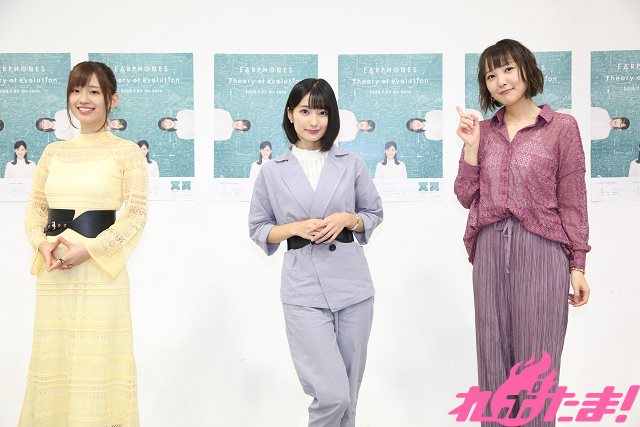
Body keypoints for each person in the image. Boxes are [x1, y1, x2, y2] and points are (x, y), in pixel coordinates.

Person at [454, 39, 590, 427]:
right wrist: (471, 149)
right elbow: (465, 195)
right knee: (493, 357)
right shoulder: (482, 131)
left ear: (526, 70)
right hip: (490, 249)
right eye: (490, 75)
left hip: (542, 249)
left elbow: (573, 199)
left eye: (508, 69)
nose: (500, 80)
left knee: (537, 361)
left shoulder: (562, 127)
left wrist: (578, 264)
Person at [18, 61, 147, 427]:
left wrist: (89, 249)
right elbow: (35, 208)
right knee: (54, 359)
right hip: (55, 273)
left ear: (112, 100)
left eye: (93, 91)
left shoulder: (126, 152)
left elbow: (136, 214)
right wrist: (41, 244)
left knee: (100, 361)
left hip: (100, 273)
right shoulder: (52, 153)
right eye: (76, 90)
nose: (83, 99)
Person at [248, 78, 383, 427]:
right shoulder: (272, 171)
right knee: (332, 396)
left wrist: (348, 219)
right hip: (303, 288)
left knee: (348, 401)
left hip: (353, 287)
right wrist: (294, 228)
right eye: (305, 111)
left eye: (322, 112)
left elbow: (373, 214)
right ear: (290, 114)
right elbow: (259, 228)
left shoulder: (351, 163)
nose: (313, 120)